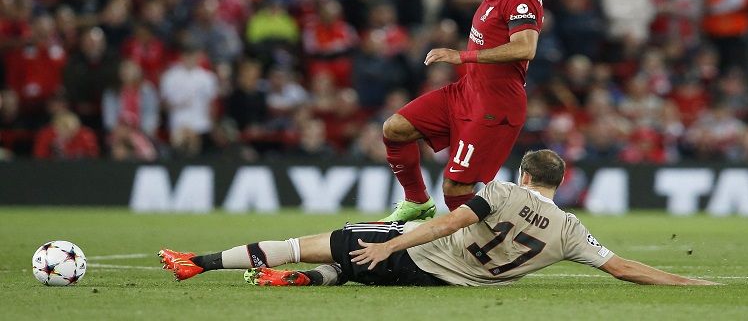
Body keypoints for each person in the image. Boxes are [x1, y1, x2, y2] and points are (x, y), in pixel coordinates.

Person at [158, 149, 717, 287]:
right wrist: (683, 280)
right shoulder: (571, 231)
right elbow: (621, 268)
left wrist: (390, 244)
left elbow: (447, 224)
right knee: (350, 269)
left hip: (419, 252)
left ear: (525, 174)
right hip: (442, 281)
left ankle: (199, 264)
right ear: (557, 183)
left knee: (307, 242)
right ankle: (307, 280)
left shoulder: (498, 191)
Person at [379, 0, 543, 221]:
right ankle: (417, 202)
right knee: (396, 128)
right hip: (467, 92)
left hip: (496, 105)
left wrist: (461, 55)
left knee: (455, 188)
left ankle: (483, 249)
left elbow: (525, 48)